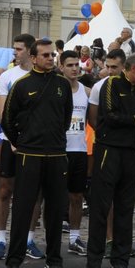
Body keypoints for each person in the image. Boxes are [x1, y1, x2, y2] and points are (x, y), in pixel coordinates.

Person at [2, 37, 72, 268]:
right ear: (33, 58)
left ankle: (54, 261)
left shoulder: (63, 84)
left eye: (52, 55)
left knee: (55, 209)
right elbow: (7, 121)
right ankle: (14, 262)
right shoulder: (21, 85)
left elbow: (65, 118)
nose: (51, 59)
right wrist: (23, 142)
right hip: (29, 154)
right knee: (23, 209)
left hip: (56, 153)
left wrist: (52, 138)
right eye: (45, 55)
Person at [84, 52, 135, 268]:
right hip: (108, 150)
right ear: (133, 68)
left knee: (125, 208)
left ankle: (120, 261)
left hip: (129, 151)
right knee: (101, 208)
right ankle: (93, 262)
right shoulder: (111, 84)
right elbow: (109, 116)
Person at [0, 33, 37, 261]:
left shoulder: (42, 76)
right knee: (5, 189)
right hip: (10, 140)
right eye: (14, 49)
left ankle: (29, 239)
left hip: (35, 144)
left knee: (32, 193)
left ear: (30, 51)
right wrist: (12, 139)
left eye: (18, 49)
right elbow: (2, 111)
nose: (14, 53)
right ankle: (1, 239)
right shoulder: (8, 76)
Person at [60, 50, 92, 255]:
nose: (74, 69)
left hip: (79, 149)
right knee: (53, 196)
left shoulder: (87, 92)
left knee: (77, 196)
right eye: (69, 65)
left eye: (76, 65)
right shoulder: (55, 89)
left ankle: (74, 237)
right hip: (57, 150)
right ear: (61, 66)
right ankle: (49, 238)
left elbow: (93, 119)